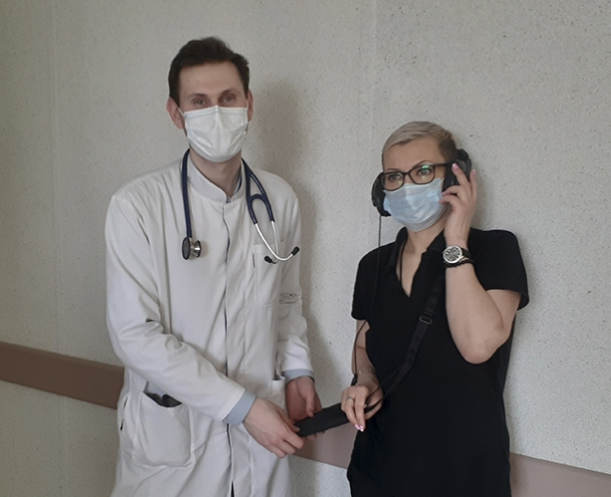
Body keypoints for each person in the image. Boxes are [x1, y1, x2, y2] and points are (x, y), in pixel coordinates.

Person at [104, 37, 321, 497]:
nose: (216, 113)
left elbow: (286, 299)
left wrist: (298, 370)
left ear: (248, 104)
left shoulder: (279, 199)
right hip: (174, 443)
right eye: (199, 102)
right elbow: (135, 335)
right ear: (176, 113)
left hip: (261, 438)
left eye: (228, 98)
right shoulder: (137, 206)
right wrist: (243, 408)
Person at [340, 121, 529, 496]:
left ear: (454, 177)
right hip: (378, 469)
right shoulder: (373, 265)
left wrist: (456, 240)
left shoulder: (495, 249)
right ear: (382, 190)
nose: (407, 185)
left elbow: (477, 346)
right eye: (394, 175)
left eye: (424, 170)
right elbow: (363, 344)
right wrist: (365, 379)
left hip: (464, 475)